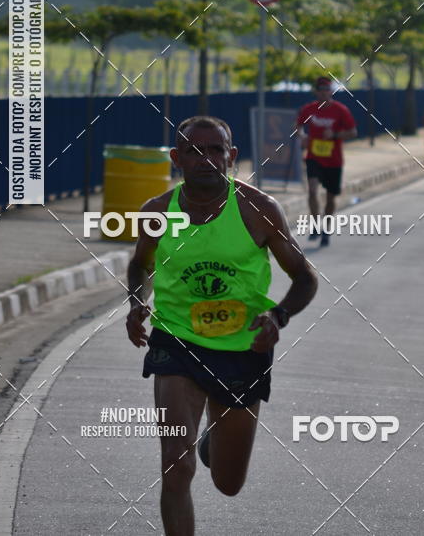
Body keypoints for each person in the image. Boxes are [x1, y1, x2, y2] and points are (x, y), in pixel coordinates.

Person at [125, 115, 318, 536]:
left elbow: (305, 278)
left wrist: (277, 315)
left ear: (231, 157)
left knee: (228, 483)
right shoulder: (157, 212)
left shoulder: (259, 210)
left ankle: (216, 431)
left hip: (243, 351)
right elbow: (140, 264)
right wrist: (138, 301)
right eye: (194, 150)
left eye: (216, 150)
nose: (205, 159)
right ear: (177, 158)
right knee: (177, 463)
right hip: (176, 342)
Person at [296, 76, 357, 246]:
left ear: (331, 92)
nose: (324, 93)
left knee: (331, 197)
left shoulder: (341, 110)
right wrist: (302, 136)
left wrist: (335, 135)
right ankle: (315, 225)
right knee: (312, 191)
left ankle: (326, 229)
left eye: (327, 90)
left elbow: (353, 132)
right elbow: (298, 125)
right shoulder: (309, 109)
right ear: (316, 92)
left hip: (334, 160)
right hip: (313, 156)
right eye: (320, 90)